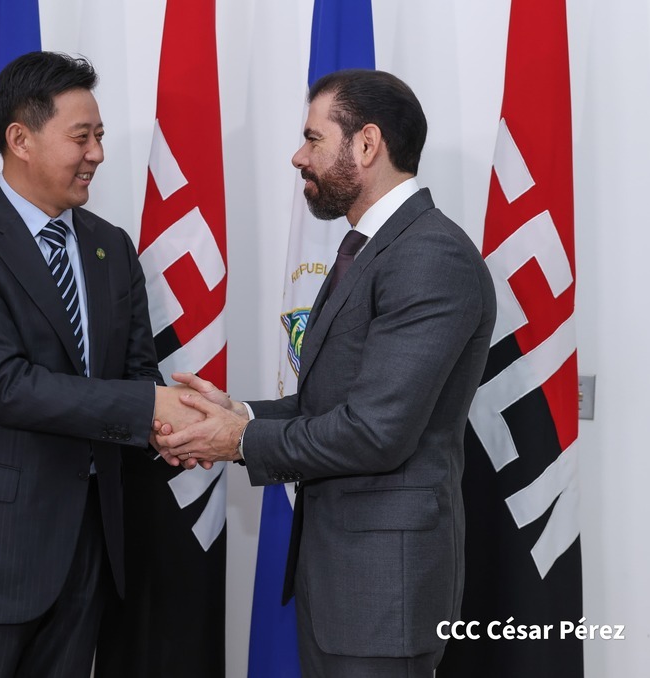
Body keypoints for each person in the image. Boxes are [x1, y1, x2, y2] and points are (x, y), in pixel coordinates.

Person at [157, 69, 497, 678]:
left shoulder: (428, 255)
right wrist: (240, 414)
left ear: (366, 144)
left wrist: (239, 441)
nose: (298, 156)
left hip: (381, 594)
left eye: (313, 139)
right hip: (342, 581)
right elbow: (333, 401)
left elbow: (374, 431)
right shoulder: (373, 248)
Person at [0, 51, 198, 677]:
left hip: (89, 551)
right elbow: (3, 385)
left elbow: (136, 371)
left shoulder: (110, 245)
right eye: (81, 137)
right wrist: (152, 406)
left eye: (100, 136)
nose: (97, 153)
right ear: (20, 140)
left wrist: (177, 424)